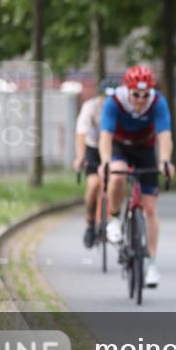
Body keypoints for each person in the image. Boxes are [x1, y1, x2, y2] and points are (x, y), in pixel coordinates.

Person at [98, 65, 175, 288]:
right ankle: (113, 218)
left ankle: (151, 264)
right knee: (117, 175)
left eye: (145, 94)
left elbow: (165, 135)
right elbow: (105, 136)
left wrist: (165, 161)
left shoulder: (158, 102)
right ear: (127, 89)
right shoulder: (115, 102)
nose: (141, 99)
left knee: (150, 209)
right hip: (120, 147)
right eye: (136, 94)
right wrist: (104, 162)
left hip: (145, 149)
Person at [75, 78, 117, 248]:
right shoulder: (90, 107)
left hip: (113, 147)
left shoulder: (119, 109)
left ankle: (114, 220)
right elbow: (81, 133)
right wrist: (80, 156)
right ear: (100, 96)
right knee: (93, 185)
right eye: (106, 97)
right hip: (93, 147)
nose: (109, 101)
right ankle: (90, 224)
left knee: (116, 181)